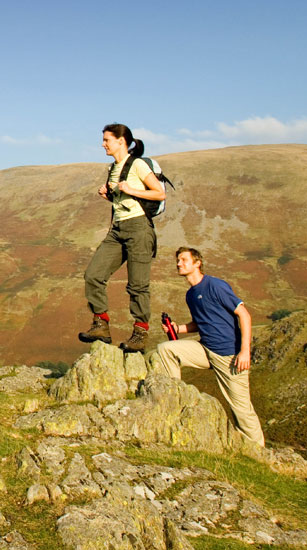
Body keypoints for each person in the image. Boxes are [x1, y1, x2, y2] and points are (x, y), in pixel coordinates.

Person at [155, 247, 265, 447]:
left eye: (184, 260)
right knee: (166, 349)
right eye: (178, 260)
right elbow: (200, 322)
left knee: (241, 409)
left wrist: (244, 351)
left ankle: (259, 452)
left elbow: (244, 315)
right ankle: (175, 397)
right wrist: (177, 328)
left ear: (197, 263)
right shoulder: (191, 295)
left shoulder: (215, 286)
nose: (179, 263)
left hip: (229, 356)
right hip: (206, 349)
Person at [79, 123, 165, 352]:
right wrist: (109, 195)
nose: (103, 144)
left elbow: (159, 193)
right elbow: (123, 201)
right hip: (118, 229)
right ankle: (101, 323)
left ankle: (140, 334)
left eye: (107, 139)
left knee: (138, 286)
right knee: (93, 275)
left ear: (121, 141)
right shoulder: (112, 168)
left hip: (139, 229)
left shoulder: (137, 164)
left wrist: (130, 189)